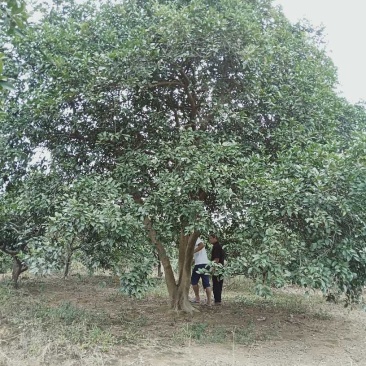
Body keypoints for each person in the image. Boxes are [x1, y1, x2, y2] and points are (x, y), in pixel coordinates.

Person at [191, 237, 212, 306]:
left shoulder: (195, 239)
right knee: (206, 283)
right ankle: (209, 302)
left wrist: (192, 252)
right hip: (204, 264)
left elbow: (202, 245)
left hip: (200, 264)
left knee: (194, 282)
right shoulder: (193, 243)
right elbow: (196, 258)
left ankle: (198, 298)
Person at [209, 234, 225, 305]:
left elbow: (217, 259)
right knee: (218, 284)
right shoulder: (216, 246)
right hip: (219, 268)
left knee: (217, 284)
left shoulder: (217, 247)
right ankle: (217, 299)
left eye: (211, 238)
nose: (210, 240)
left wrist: (214, 268)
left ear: (215, 238)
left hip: (217, 269)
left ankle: (217, 300)